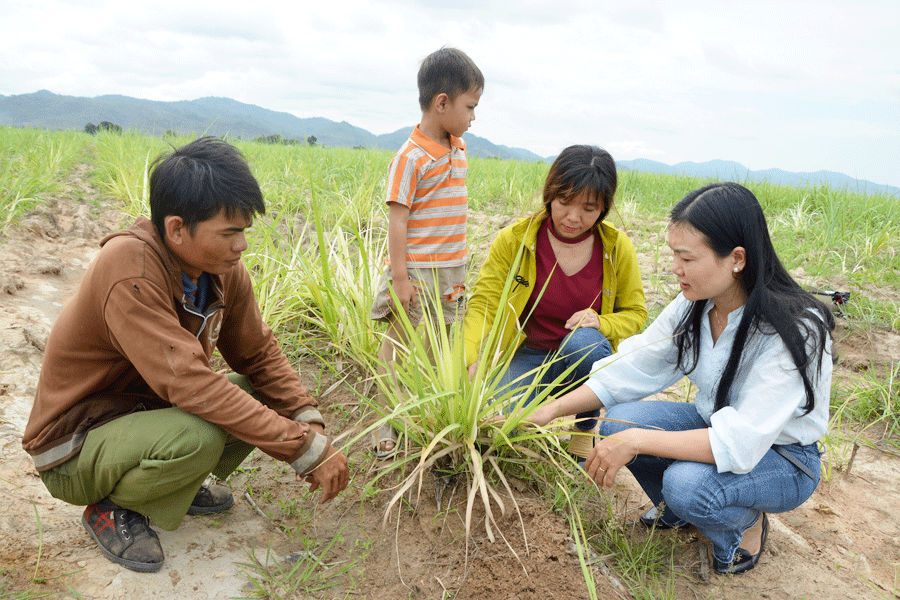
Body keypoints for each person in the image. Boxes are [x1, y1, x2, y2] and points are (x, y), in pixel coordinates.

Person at [22, 137, 350, 573]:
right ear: (177, 228)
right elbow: (189, 383)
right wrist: (302, 450)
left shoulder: (220, 273)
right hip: (76, 444)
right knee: (200, 435)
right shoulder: (130, 269)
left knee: (250, 391)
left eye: (244, 232)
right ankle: (113, 507)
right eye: (229, 233)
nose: (242, 246)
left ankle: (170, 485)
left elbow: (259, 355)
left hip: (140, 415)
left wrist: (307, 421)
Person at [526, 182, 834, 575]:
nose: (675, 268)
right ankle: (684, 512)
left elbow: (740, 440)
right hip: (711, 425)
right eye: (674, 253)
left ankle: (745, 525)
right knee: (618, 419)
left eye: (686, 257)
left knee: (687, 485)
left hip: (783, 457)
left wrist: (636, 440)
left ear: (736, 258)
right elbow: (632, 366)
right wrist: (548, 411)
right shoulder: (696, 302)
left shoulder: (795, 329)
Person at [464, 145, 647, 460]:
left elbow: (636, 313)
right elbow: (484, 305)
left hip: (582, 359)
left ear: (604, 208)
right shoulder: (515, 241)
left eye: (589, 209)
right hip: (527, 356)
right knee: (498, 425)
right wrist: (471, 361)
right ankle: (527, 404)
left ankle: (585, 425)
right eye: (564, 202)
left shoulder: (617, 248)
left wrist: (601, 322)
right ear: (550, 194)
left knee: (586, 342)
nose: (573, 218)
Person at [369, 47, 484, 458]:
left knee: (442, 345)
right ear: (442, 103)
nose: (473, 116)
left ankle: (433, 417)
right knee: (397, 346)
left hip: (452, 270)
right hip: (416, 272)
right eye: (470, 106)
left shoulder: (460, 148)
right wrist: (400, 279)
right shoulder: (409, 158)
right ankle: (384, 421)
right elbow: (397, 222)